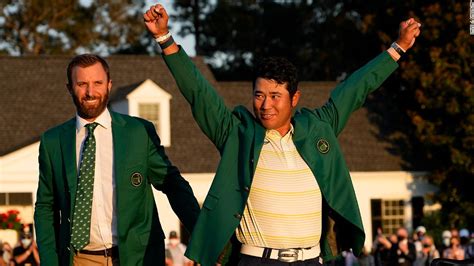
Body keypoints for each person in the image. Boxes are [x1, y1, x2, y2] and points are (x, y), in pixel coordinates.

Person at [144, 3, 421, 265]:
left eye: (275, 96)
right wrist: (165, 38)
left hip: (312, 260)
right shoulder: (236, 134)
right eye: (259, 95)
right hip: (255, 261)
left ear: (295, 98)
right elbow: (198, 92)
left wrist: (398, 48)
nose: (265, 104)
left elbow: (355, 89)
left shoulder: (318, 128)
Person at [34, 53, 200, 266]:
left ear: (109, 85)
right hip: (80, 259)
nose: (90, 91)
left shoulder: (139, 132)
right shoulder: (53, 141)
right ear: (69, 88)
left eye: (97, 83)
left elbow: (173, 184)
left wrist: (205, 236)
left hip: (137, 257)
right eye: (82, 84)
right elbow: (45, 207)